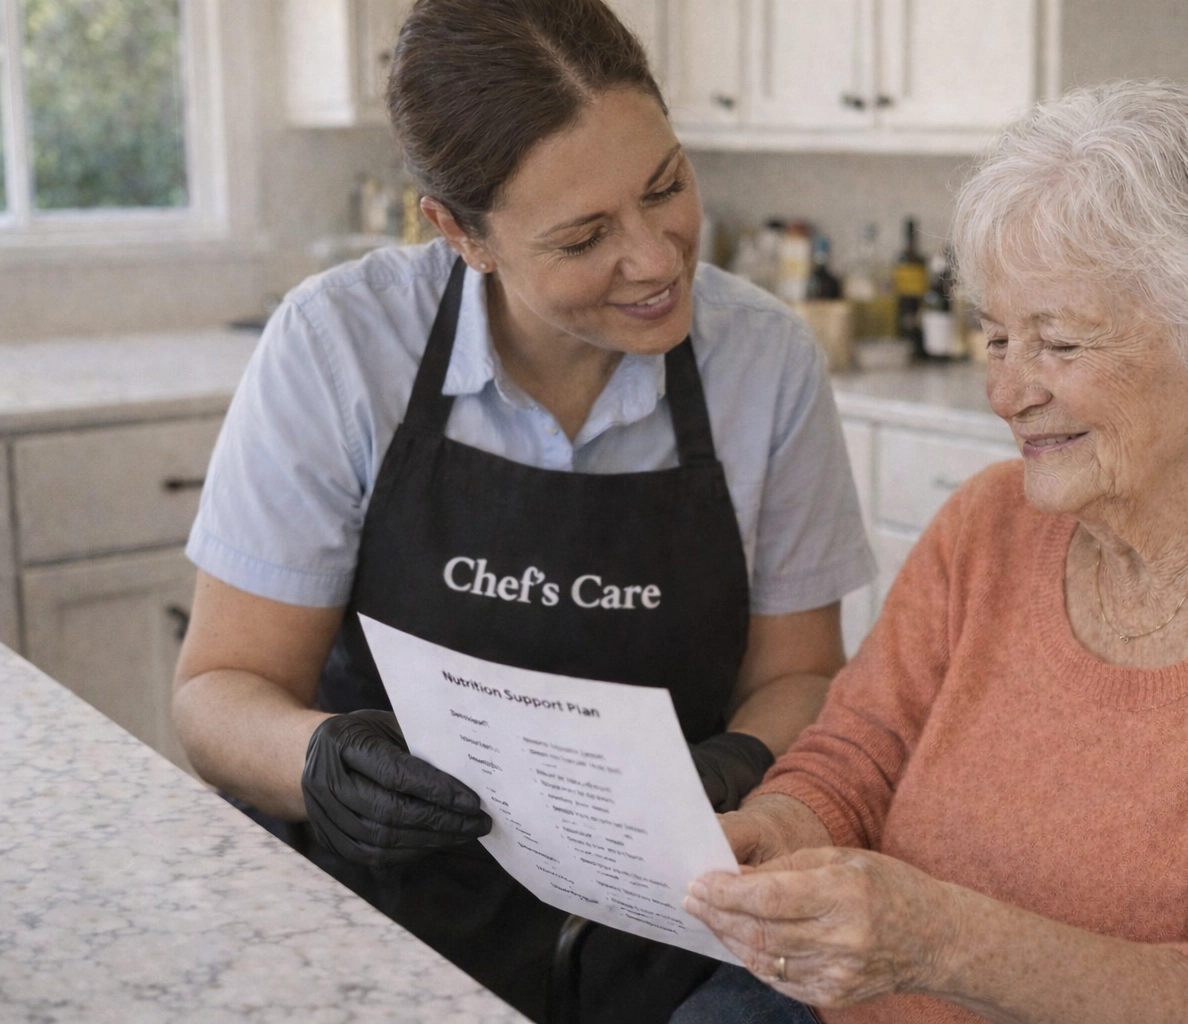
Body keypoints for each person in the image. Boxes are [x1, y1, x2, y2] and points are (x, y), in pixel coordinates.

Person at [675, 81, 1188, 1024]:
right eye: (996, 338)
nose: (1006, 393)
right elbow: (860, 753)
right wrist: (780, 827)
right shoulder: (987, 528)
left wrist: (943, 941)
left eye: (1058, 344)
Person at [170, 2, 873, 1021]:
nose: (657, 258)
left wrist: (732, 771)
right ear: (459, 232)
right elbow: (217, 693)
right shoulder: (338, 347)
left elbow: (800, 674)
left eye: (666, 186)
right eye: (586, 236)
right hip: (371, 918)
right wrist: (322, 765)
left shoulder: (765, 362)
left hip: (662, 921)